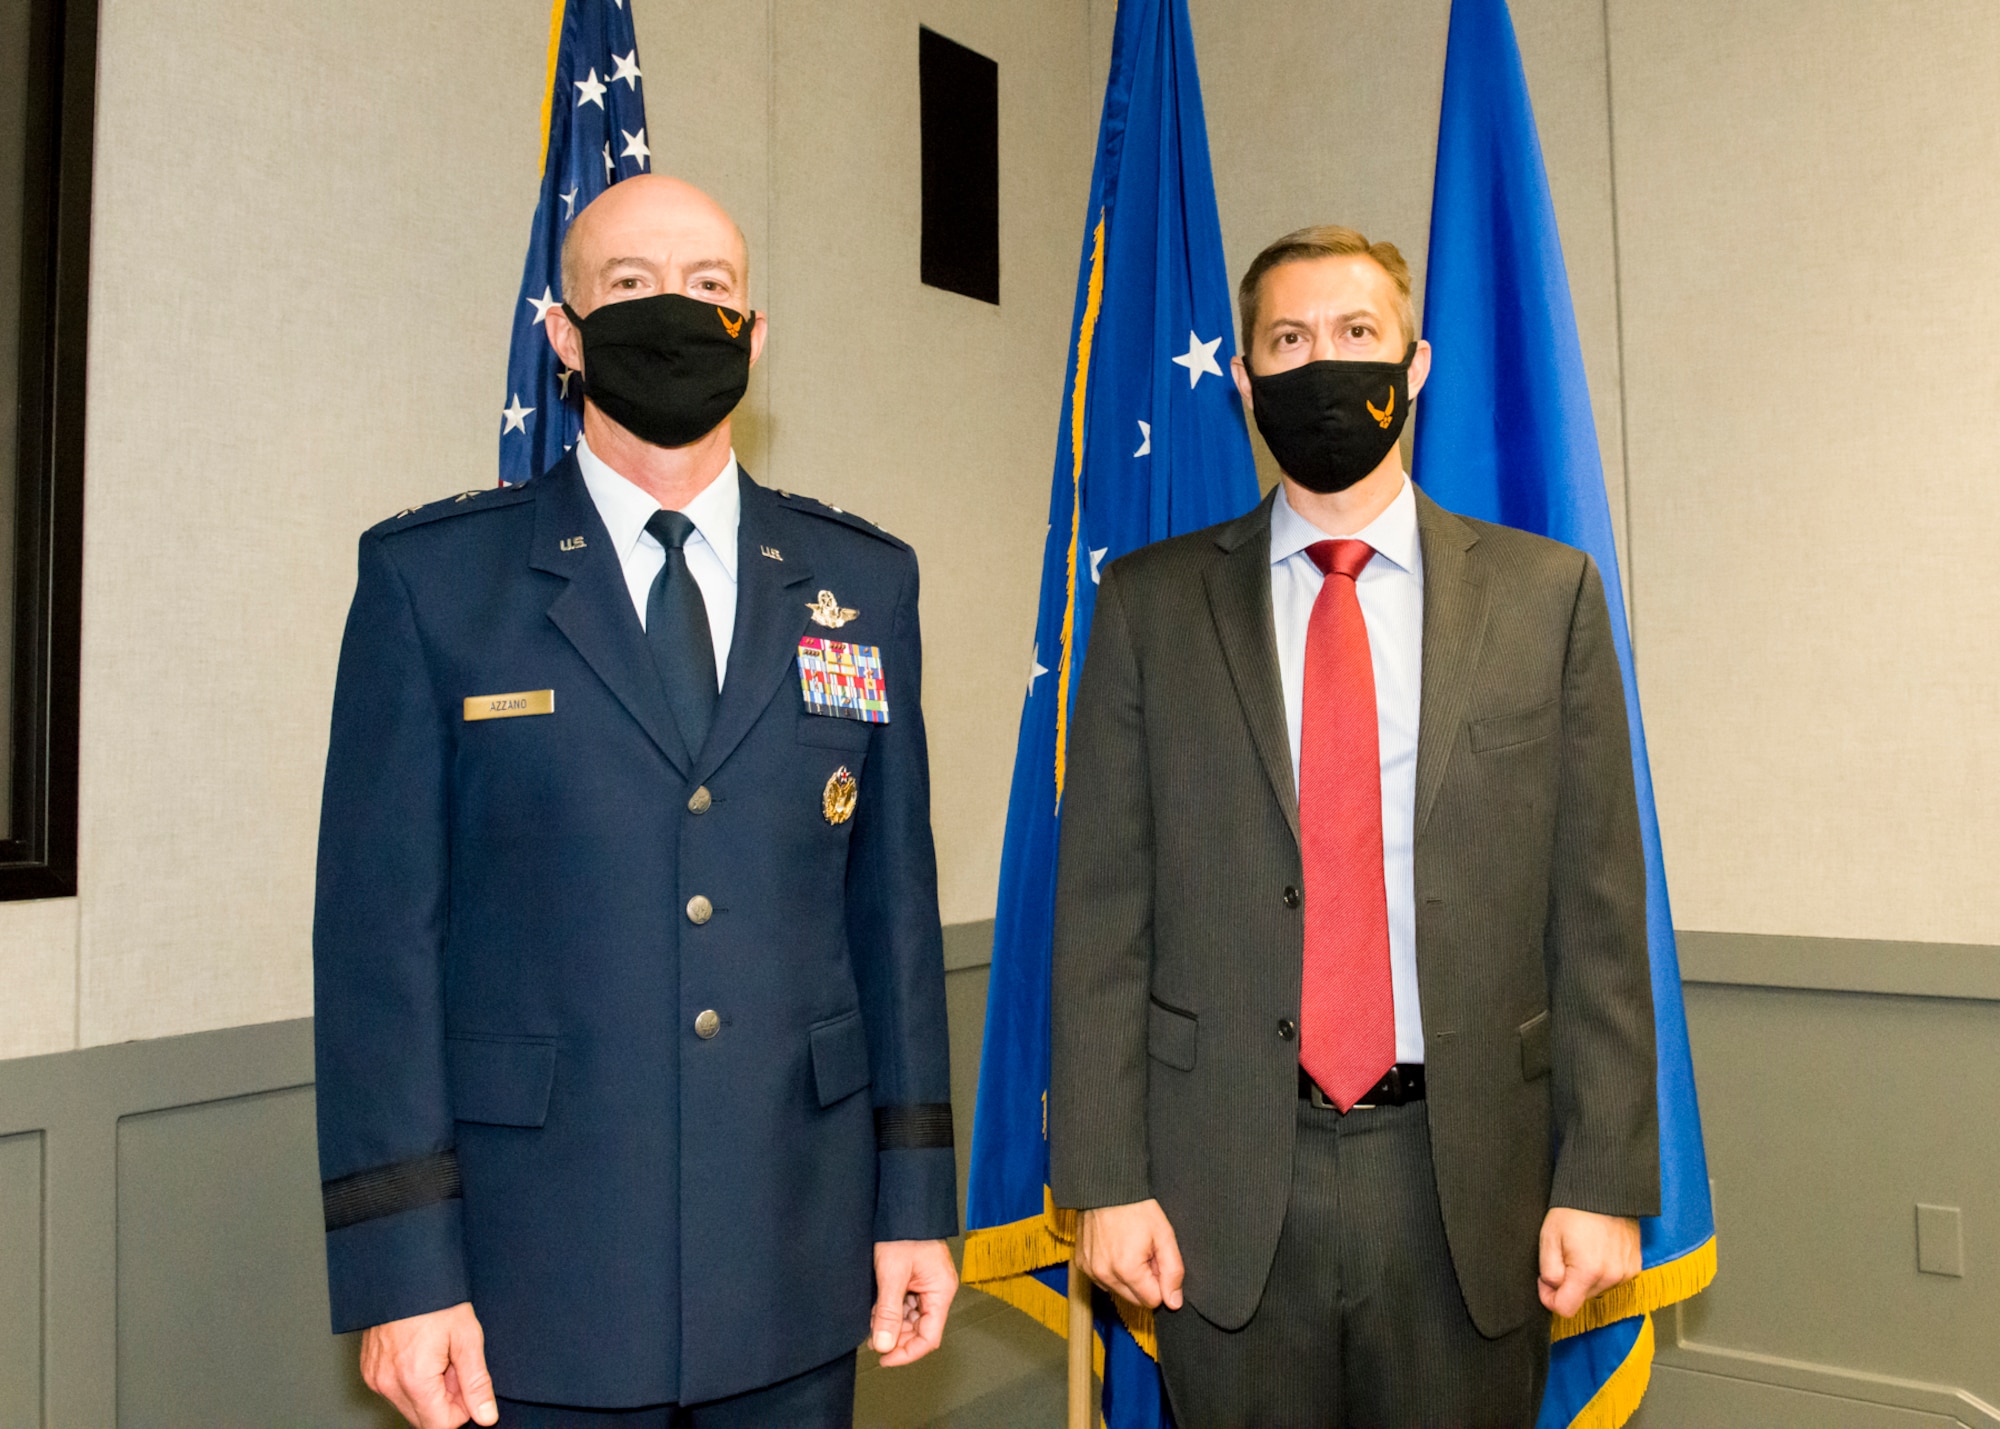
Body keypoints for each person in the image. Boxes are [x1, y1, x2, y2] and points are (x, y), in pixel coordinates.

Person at [313, 174, 958, 1429]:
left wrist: (916, 1202)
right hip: (530, 1292)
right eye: (630, 287)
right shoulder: (432, 583)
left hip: (794, 1262)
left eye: (710, 288)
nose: (675, 313)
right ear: (563, 332)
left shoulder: (861, 585)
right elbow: (379, 954)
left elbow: (894, 925)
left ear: (754, 335)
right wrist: (401, 1273)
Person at [1048, 225, 1660, 1426]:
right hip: (1221, 1187)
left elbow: (1595, 917)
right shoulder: (1147, 607)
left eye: (1354, 334)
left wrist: (1601, 1180)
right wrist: (1105, 1183)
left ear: (1413, 364)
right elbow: (1102, 917)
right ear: (1243, 377)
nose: (1320, 363)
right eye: (1287, 339)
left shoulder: (1547, 600)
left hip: (1464, 1182)